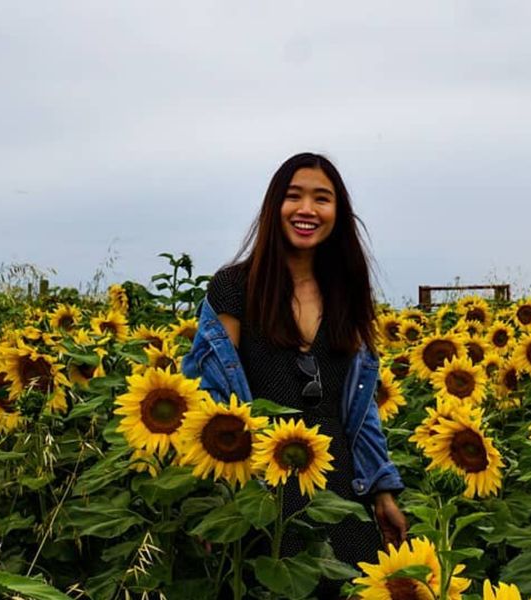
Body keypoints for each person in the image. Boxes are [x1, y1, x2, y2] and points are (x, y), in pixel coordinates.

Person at [181, 152, 407, 596]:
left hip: (339, 488)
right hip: (259, 487)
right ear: (274, 207)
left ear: (337, 214)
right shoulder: (234, 288)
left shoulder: (348, 293)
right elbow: (208, 395)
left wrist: (382, 491)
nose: (307, 209)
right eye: (294, 196)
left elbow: (362, 413)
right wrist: (208, 500)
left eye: (321, 199)